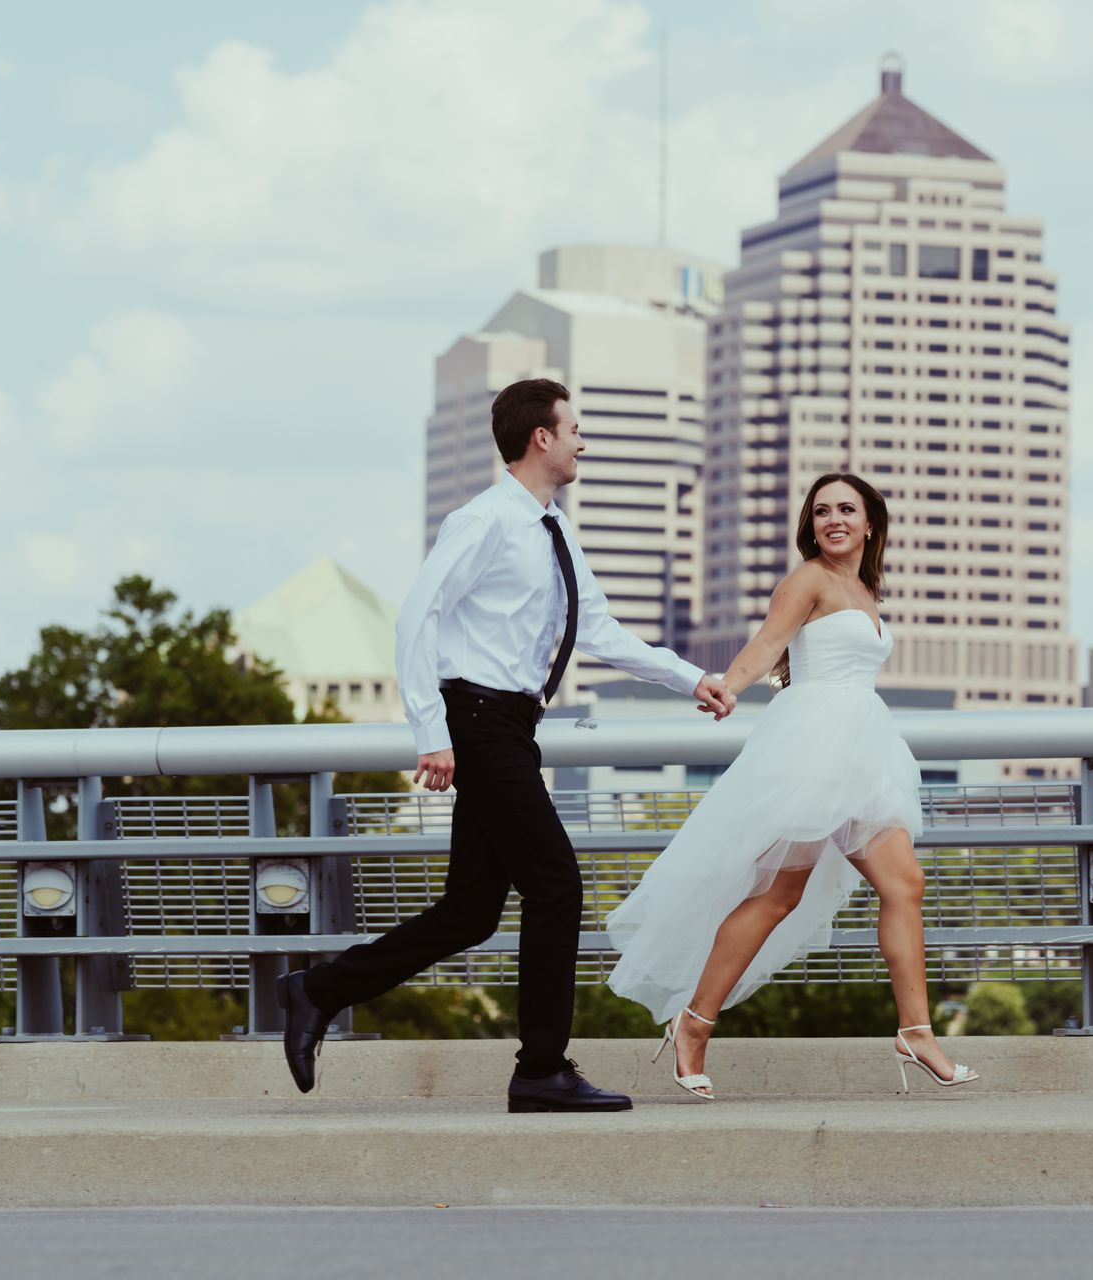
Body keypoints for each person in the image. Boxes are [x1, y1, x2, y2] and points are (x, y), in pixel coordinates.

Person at [279, 378, 736, 1113]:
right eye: (575, 428)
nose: (584, 441)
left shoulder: (553, 531)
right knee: (557, 882)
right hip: (478, 721)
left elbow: (601, 632)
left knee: (471, 911)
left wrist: (693, 680)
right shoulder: (485, 521)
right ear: (542, 438)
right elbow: (416, 618)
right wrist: (432, 732)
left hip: (512, 726)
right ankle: (542, 1069)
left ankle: (317, 989)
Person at [607, 473, 977, 1099]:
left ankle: (916, 1031)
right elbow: (768, 645)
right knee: (779, 895)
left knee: (904, 882)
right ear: (812, 524)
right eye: (822, 510)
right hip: (812, 749)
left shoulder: (862, 588)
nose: (834, 519)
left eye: (846, 510)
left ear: (868, 522)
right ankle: (694, 1022)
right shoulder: (807, 579)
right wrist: (728, 685)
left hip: (863, 752)